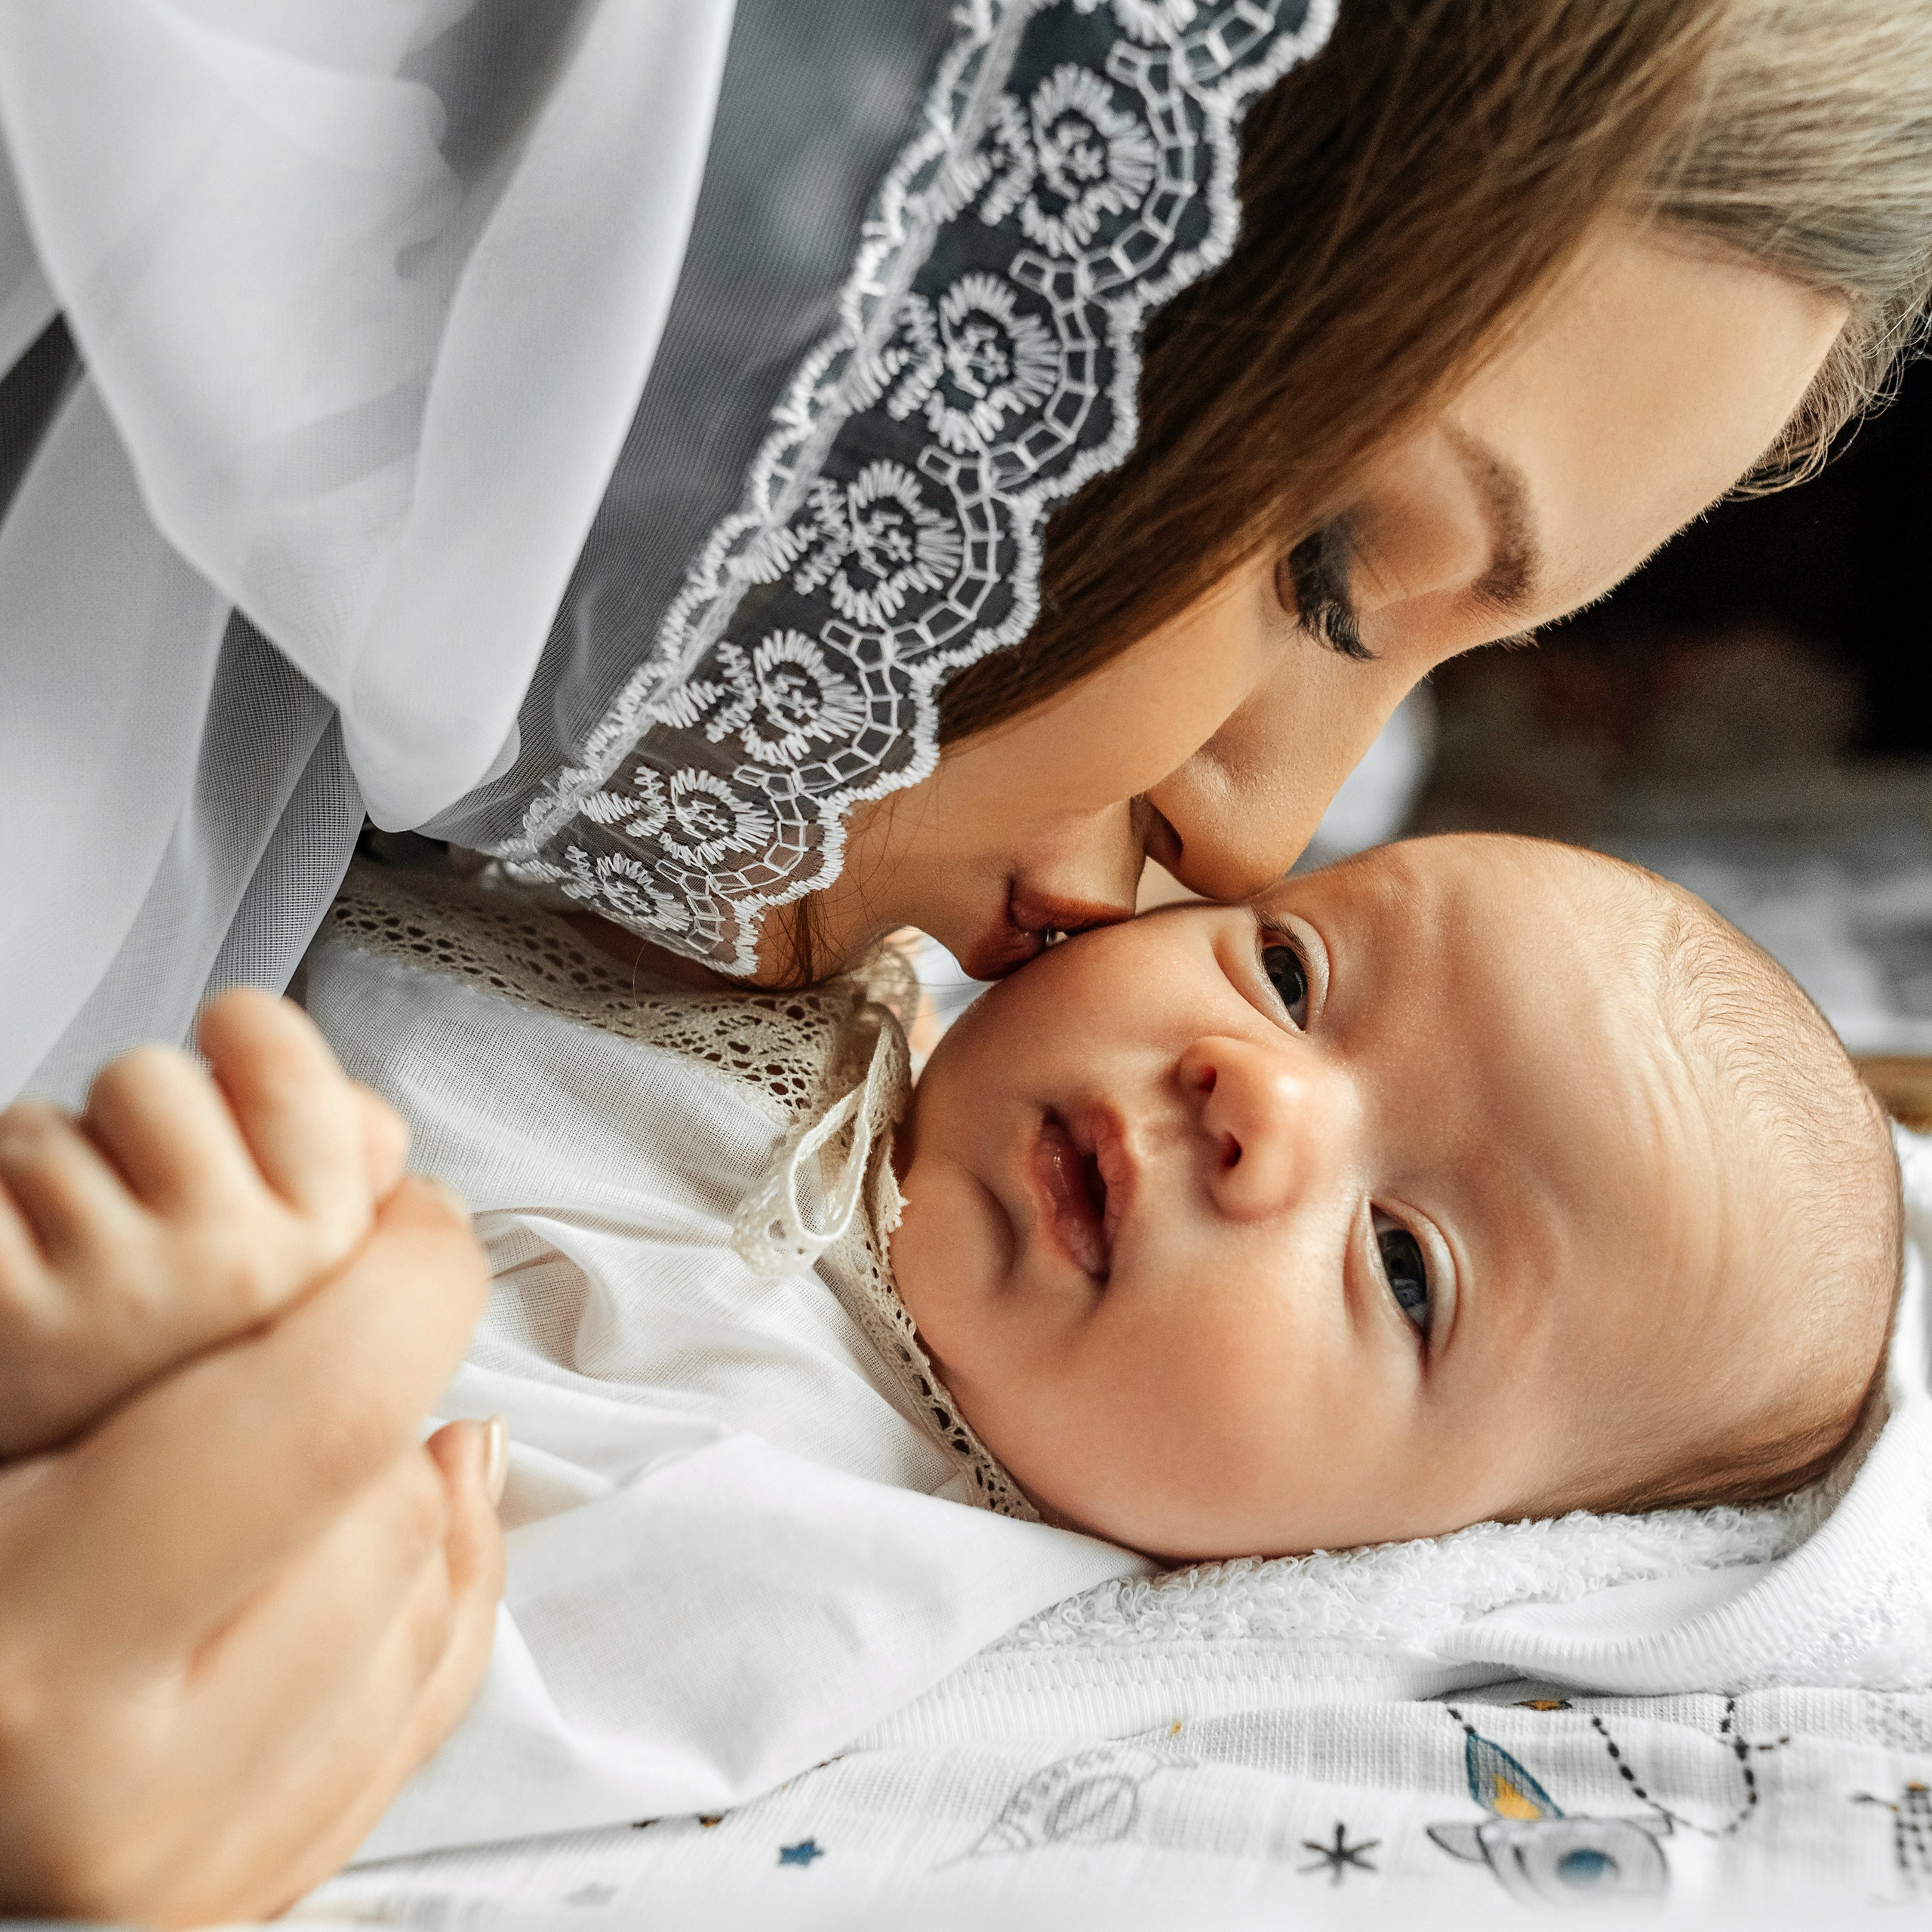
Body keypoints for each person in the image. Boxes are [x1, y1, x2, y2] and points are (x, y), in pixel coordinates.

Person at [2, 0, 1929, 1911]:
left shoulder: (862, 1527)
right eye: (1331, 571)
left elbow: (418, 1668)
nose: (1255, 843)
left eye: (1407, 1266)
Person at [6, 828, 1897, 1859]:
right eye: (1294, 971)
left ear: (1394, 1545)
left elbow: (382, 1705)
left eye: (1404, 1268)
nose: (1258, 1100)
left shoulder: (851, 1552)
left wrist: (167, 1368)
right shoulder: (869, 935)